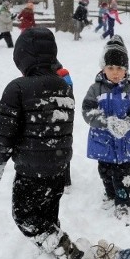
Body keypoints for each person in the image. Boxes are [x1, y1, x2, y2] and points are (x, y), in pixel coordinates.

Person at [0, 27, 83, 259]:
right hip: (59, 167)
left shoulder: (17, 88)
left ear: (23, 58)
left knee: (25, 216)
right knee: (48, 212)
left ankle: (62, 247)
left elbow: (4, 130)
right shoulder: (63, 86)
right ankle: (55, 248)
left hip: (31, 170)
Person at [81, 35, 130, 222]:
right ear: (103, 68)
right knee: (105, 171)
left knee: (123, 174)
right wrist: (106, 122)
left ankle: (124, 202)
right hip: (103, 143)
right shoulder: (95, 89)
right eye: (111, 68)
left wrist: (128, 122)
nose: (115, 72)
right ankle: (110, 194)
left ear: (126, 70)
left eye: (120, 68)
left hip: (124, 143)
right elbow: (87, 111)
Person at [52, 58, 74, 191]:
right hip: (61, 116)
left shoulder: (63, 74)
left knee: (61, 146)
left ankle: (65, 179)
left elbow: (68, 94)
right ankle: (63, 179)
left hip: (60, 116)